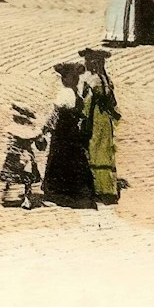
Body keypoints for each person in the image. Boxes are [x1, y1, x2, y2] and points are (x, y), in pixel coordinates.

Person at [40, 59, 95, 208]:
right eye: (72, 77)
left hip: (66, 132)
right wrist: (45, 128)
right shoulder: (67, 93)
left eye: (76, 77)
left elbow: (56, 114)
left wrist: (45, 129)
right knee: (68, 159)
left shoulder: (72, 92)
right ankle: (67, 191)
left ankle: (62, 190)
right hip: (65, 131)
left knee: (64, 159)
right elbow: (56, 114)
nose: (75, 80)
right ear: (65, 79)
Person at [78, 48, 121, 204]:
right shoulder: (106, 79)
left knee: (94, 149)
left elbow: (87, 102)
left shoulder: (92, 80)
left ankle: (97, 187)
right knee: (105, 150)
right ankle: (107, 187)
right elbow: (113, 103)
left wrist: (82, 118)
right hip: (105, 119)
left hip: (95, 118)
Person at [0, 103, 44, 209]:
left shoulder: (13, 130)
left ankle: (5, 194)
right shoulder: (32, 131)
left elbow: (9, 143)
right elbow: (41, 145)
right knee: (27, 178)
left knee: (10, 175)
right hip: (25, 156)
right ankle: (26, 199)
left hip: (14, 155)